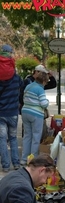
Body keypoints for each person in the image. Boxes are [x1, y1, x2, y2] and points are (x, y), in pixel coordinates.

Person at [0, 44, 23, 172]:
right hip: (13, 112)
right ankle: (16, 163)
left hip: (1, 113)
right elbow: (21, 86)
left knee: (2, 139)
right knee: (13, 138)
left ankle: (5, 165)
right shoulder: (16, 77)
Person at [21, 70, 49, 165]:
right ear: (44, 81)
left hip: (25, 112)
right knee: (36, 136)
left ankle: (24, 158)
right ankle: (33, 159)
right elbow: (44, 104)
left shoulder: (28, 86)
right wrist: (47, 101)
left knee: (27, 136)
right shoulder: (40, 89)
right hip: (36, 114)